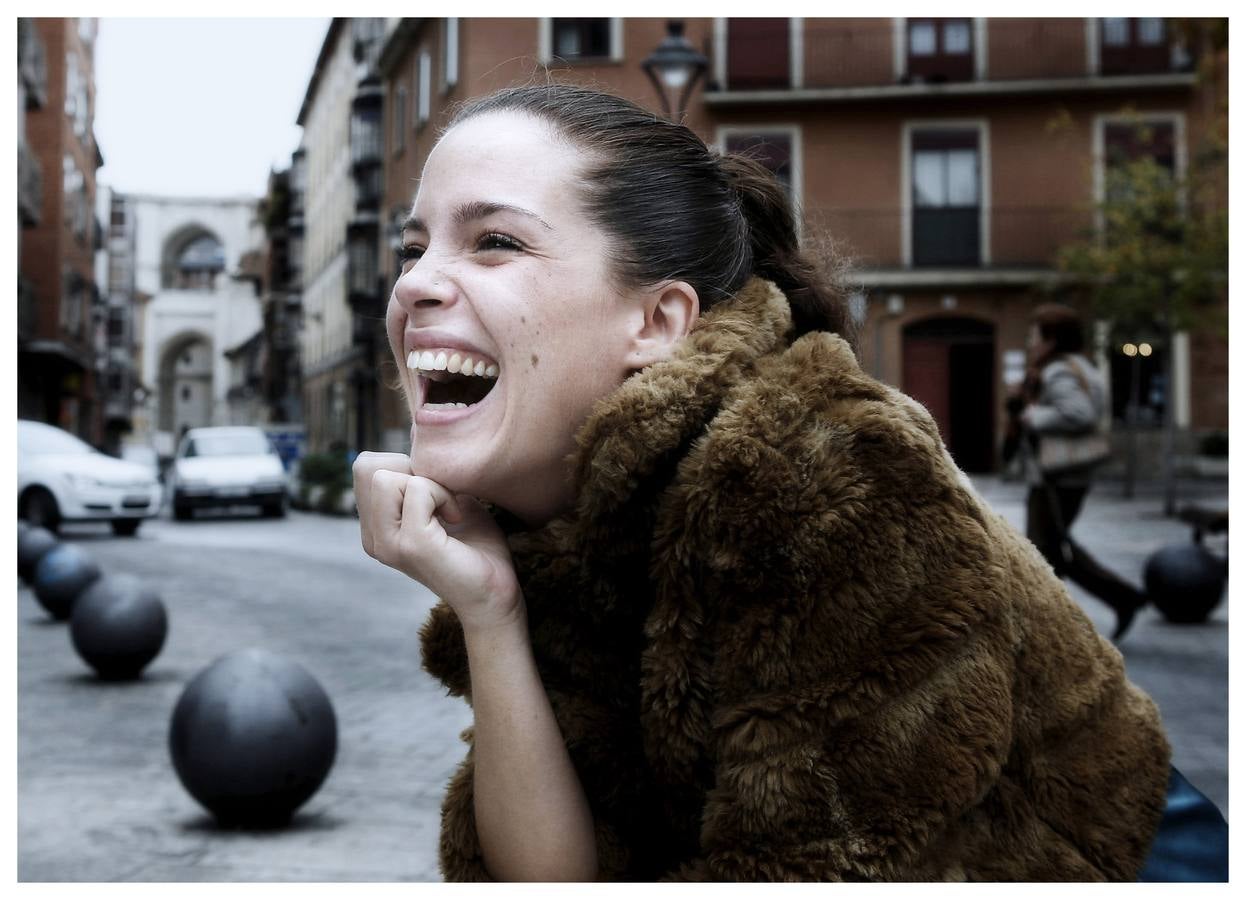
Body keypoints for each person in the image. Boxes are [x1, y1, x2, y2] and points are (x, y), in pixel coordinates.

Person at [353, 84, 1170, 882]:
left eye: (496, 241)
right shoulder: (550, 504)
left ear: (657, 323)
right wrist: (491, 613)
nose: (415, 284)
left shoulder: (826, 477)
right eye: (413, 249)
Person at [1010, 305, 1148, 641]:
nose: (1030, 341)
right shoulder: (1079, 366)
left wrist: (1033, 417)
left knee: (1042, 551)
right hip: (1066, 477)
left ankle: (1048, 626)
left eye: (1035, 335)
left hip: (1057, 477)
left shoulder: (1060, 372)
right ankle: (1117, 600)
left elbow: (1080, 413)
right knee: (1053, 549)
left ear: (1052, 339)